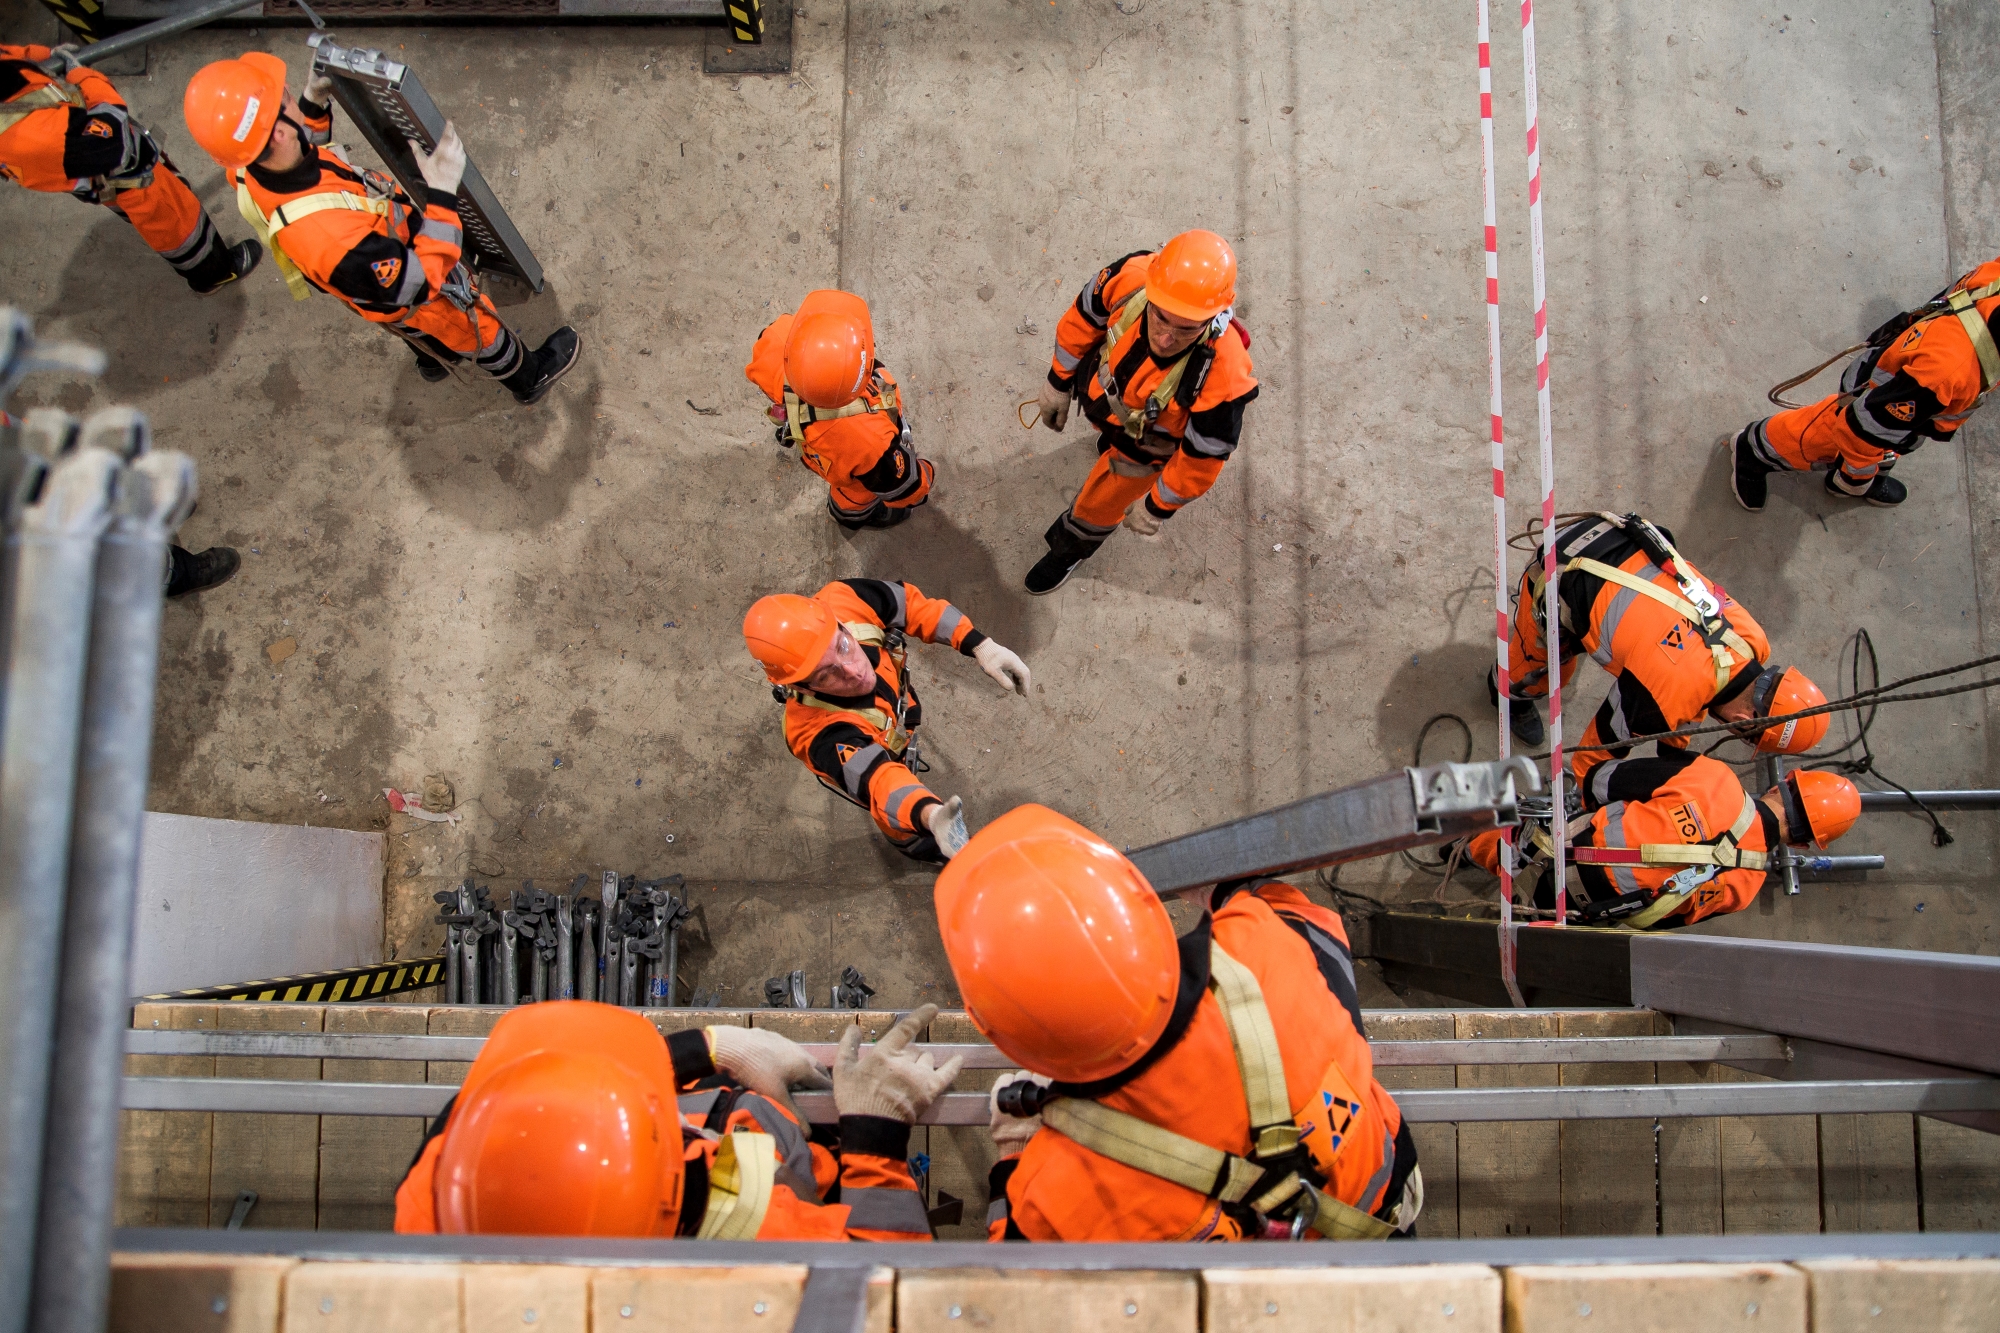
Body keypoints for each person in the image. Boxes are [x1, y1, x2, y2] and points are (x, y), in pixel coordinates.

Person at [935, 804, 1421, 1242]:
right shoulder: (1265, 947)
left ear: (996, 1031)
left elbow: (1009, 1286)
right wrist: (1228, 890)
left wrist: (1013, 1155)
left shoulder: (1054, 1193)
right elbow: (1311, 926)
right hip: (1379, 1216)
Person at [181, 52, 579, 404]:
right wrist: (441, 192)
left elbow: (312, 160)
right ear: (280, 131)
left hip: (373, 278)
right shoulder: (330, 239)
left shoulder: (251, 171)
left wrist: (312, 107)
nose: (288, 92)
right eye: (284, 97)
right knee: (475, 326)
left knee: (411, 326)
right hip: (404, 278)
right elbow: (422, 280)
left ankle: (432, 358)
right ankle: (529, 377)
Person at [395, 1000, 960, 1239]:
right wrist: (874, 1137)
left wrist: (709, 1049)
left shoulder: (441, 1196)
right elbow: (892, 1284)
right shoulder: (739, 1250)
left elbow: (531, 1082)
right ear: (677, 1195)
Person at [1489, 511, 1827, 777]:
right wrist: (1586, 788)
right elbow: (1601, 746)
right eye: (1748, 736)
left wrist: (1673, 748)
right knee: (1538, 667)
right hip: (1563, 566)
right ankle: (1508, 695)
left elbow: (1696, 686)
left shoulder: (1753, 641)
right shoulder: (1663, 700)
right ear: (1747, 718)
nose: (1739, 737)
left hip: (1619, 537)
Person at [1024, 230, 1258, 594]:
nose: (1165, 338)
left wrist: (1157, 506)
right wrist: (1057, 381)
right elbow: (1083, 319)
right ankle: (1111, 436)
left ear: (1215, 314)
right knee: (1111, 435)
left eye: (1185, 328)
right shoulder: (1133, 275)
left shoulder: (1224, 375)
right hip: (1108, 401)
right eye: (1161, 317)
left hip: (1147, 448)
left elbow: (1202, 459)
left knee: (1098, 505)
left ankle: (1068, 549)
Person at [742, 578, 1030, 864]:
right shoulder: (816, 734)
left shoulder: (844, 599)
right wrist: (927, 814)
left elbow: (911, 605)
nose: (854, 672)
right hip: (894, 783)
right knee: (912, 835)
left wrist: (978, 644)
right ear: (802, 688)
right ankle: (925, 849)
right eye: (825, 675)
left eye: (843, 645)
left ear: (839, 623)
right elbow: (879, 780)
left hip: (898, 712)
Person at [1462, 754, 1860, 928]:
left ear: (1781, 782)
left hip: (1549, 845)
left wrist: (1575, 799)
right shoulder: (1746, 889)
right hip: (1573, 910)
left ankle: (1465, 850)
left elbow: (1606, 780)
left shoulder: (1712, 779)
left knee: (1500, 833)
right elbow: (1659, 921)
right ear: (1804, 845)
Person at [1730, 256, 2000, 510]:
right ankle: (1754, 451)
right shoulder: (1946, 374)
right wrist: (1857, 480)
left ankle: (1854, 475)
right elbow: (1863, 429)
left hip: (1909, 403)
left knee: (1887, 445)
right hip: (1876, 406)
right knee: (1819, 438)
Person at [1, 44, 259, 295]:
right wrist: (86, 76)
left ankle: (169, 188)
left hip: (82, 155)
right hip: (121, 172)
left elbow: (9, 55)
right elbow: (112, 138)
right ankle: (213, 273)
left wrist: (48, 55)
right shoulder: (26, 137)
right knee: (177, 225)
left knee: (165, 192)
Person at [745, 290, 934, 530]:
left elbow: (775, 336)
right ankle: (849, 515)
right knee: (854, 498)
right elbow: (905, 487)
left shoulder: (779, 339)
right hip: (857, 460)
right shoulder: (869, 443)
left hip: (813, 439)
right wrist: (927, 473)